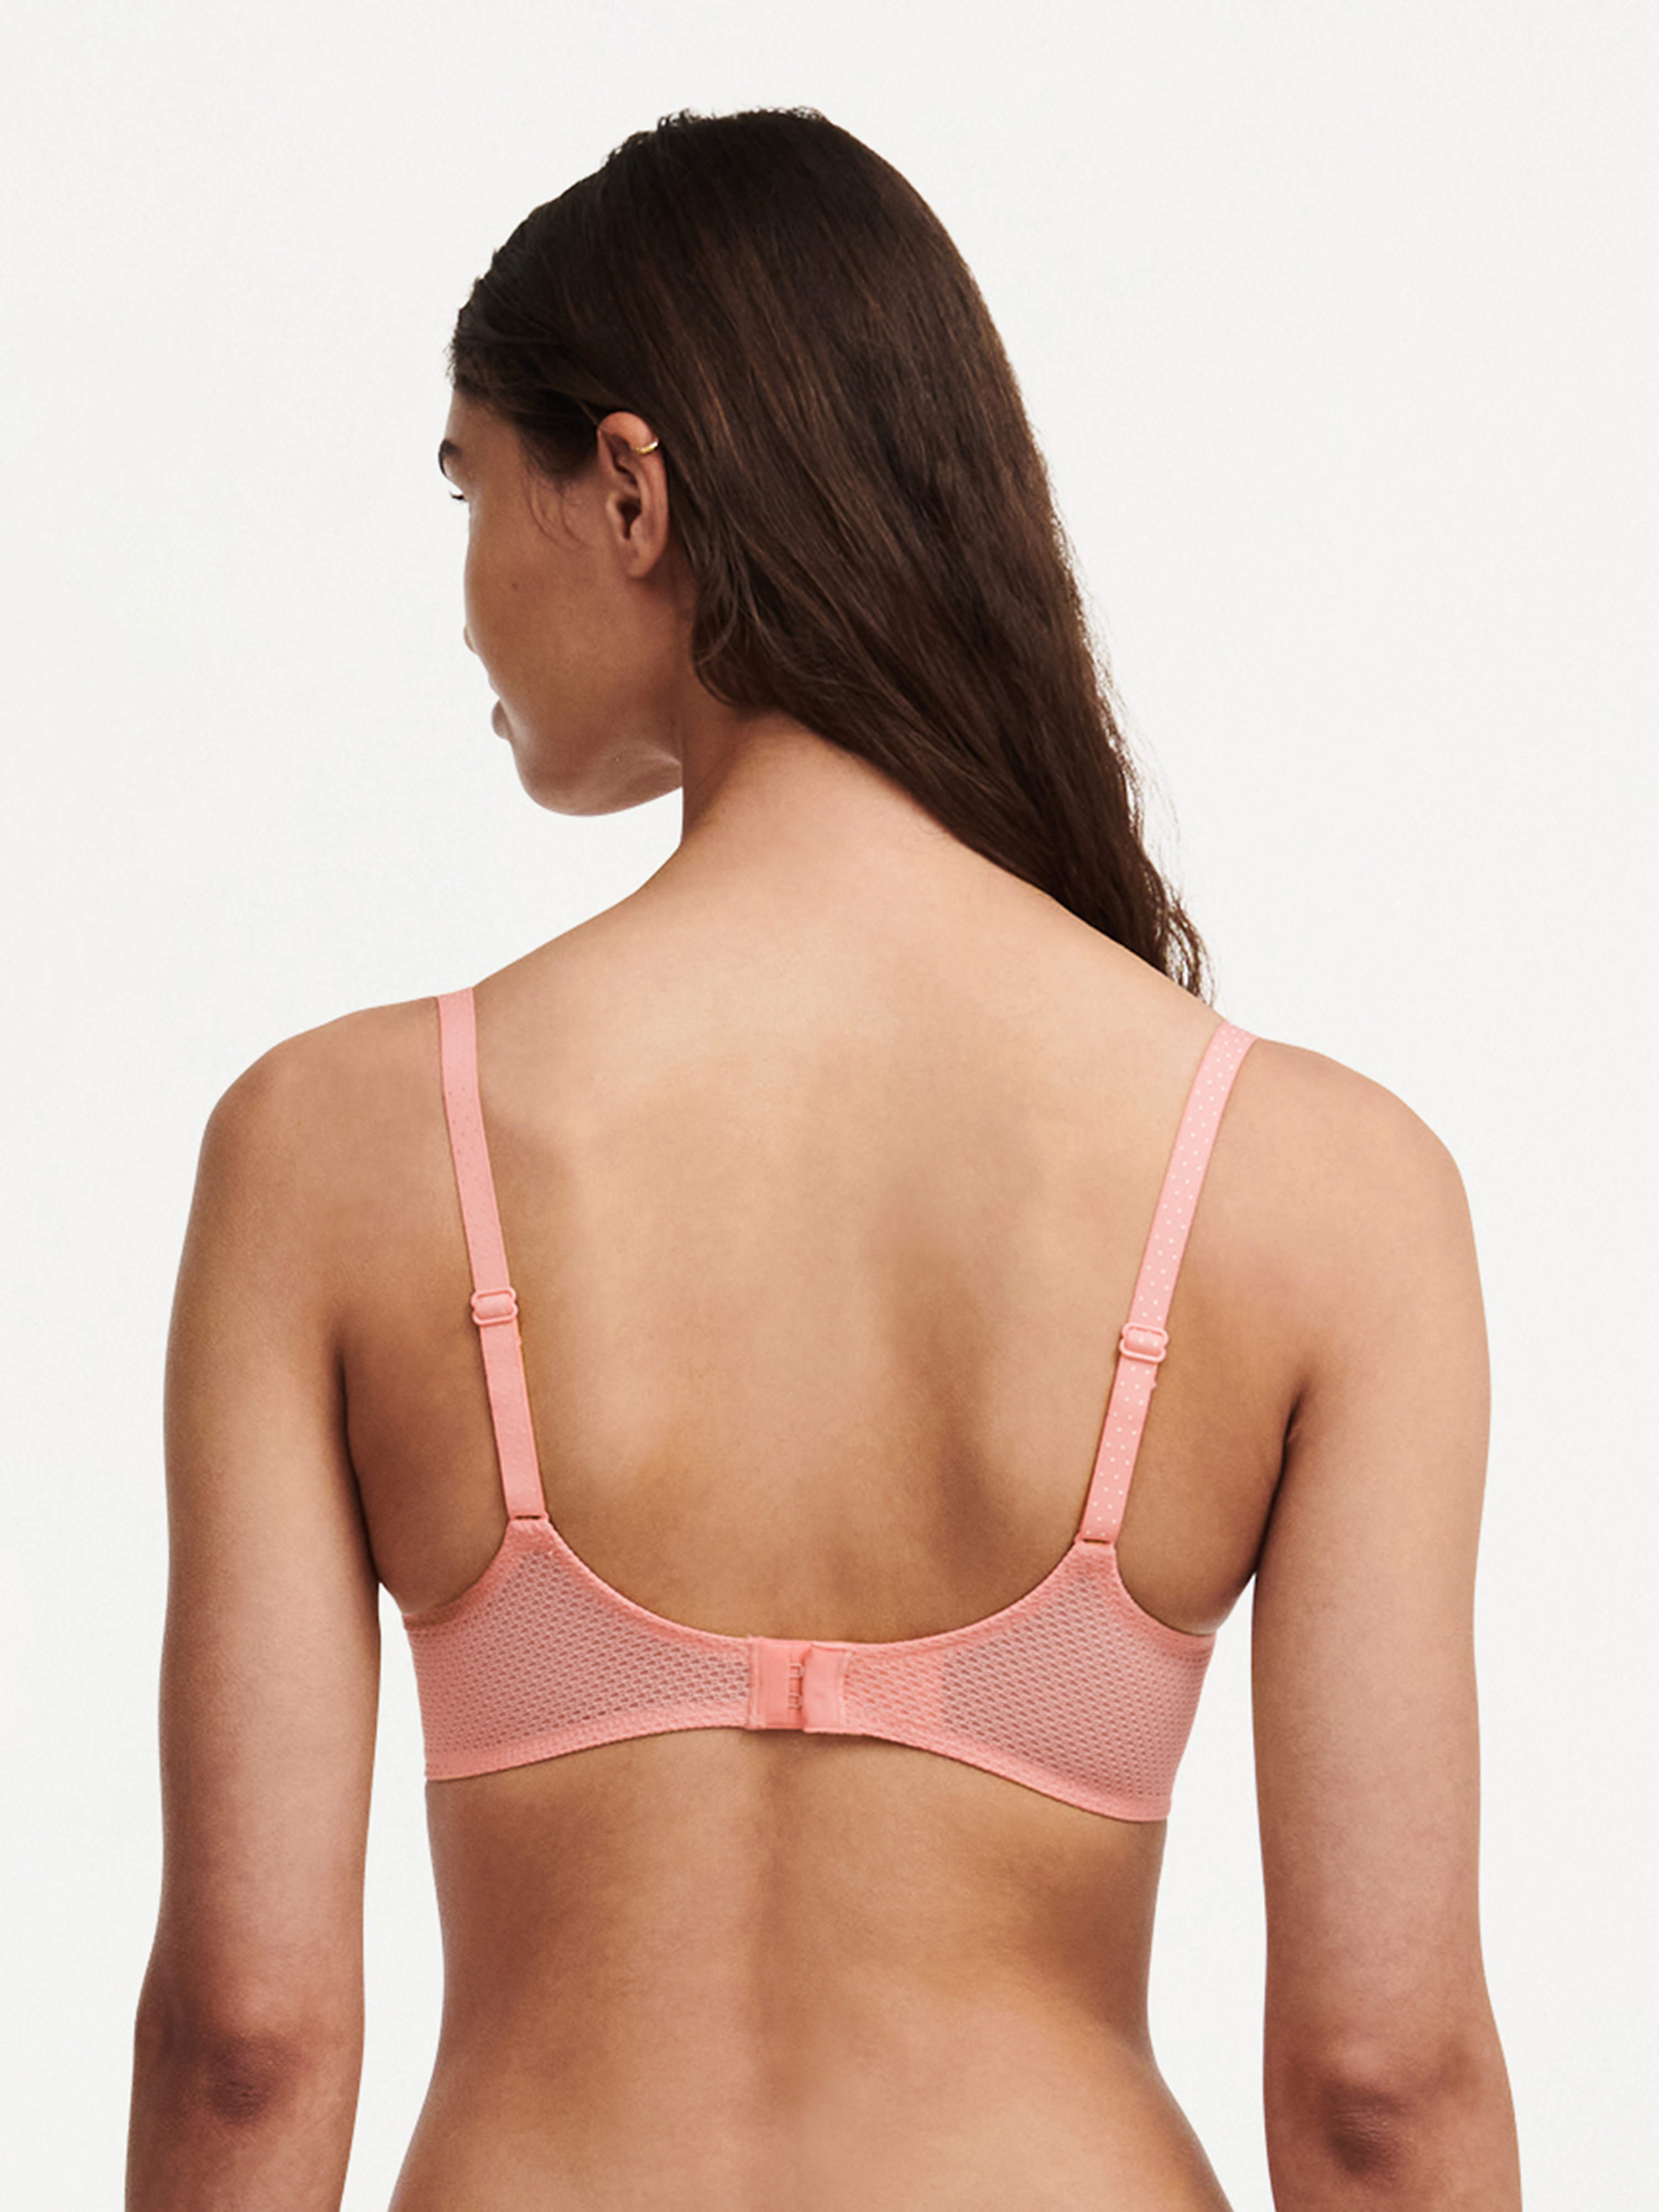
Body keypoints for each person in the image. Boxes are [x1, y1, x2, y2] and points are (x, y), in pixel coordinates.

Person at [125, 107, 1520, 2212]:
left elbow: (245, 2047)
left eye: (468, 489)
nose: (465, 599)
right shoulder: (1327, 1191)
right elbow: (1383, 2084)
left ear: (629, 492)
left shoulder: (329, 1153)